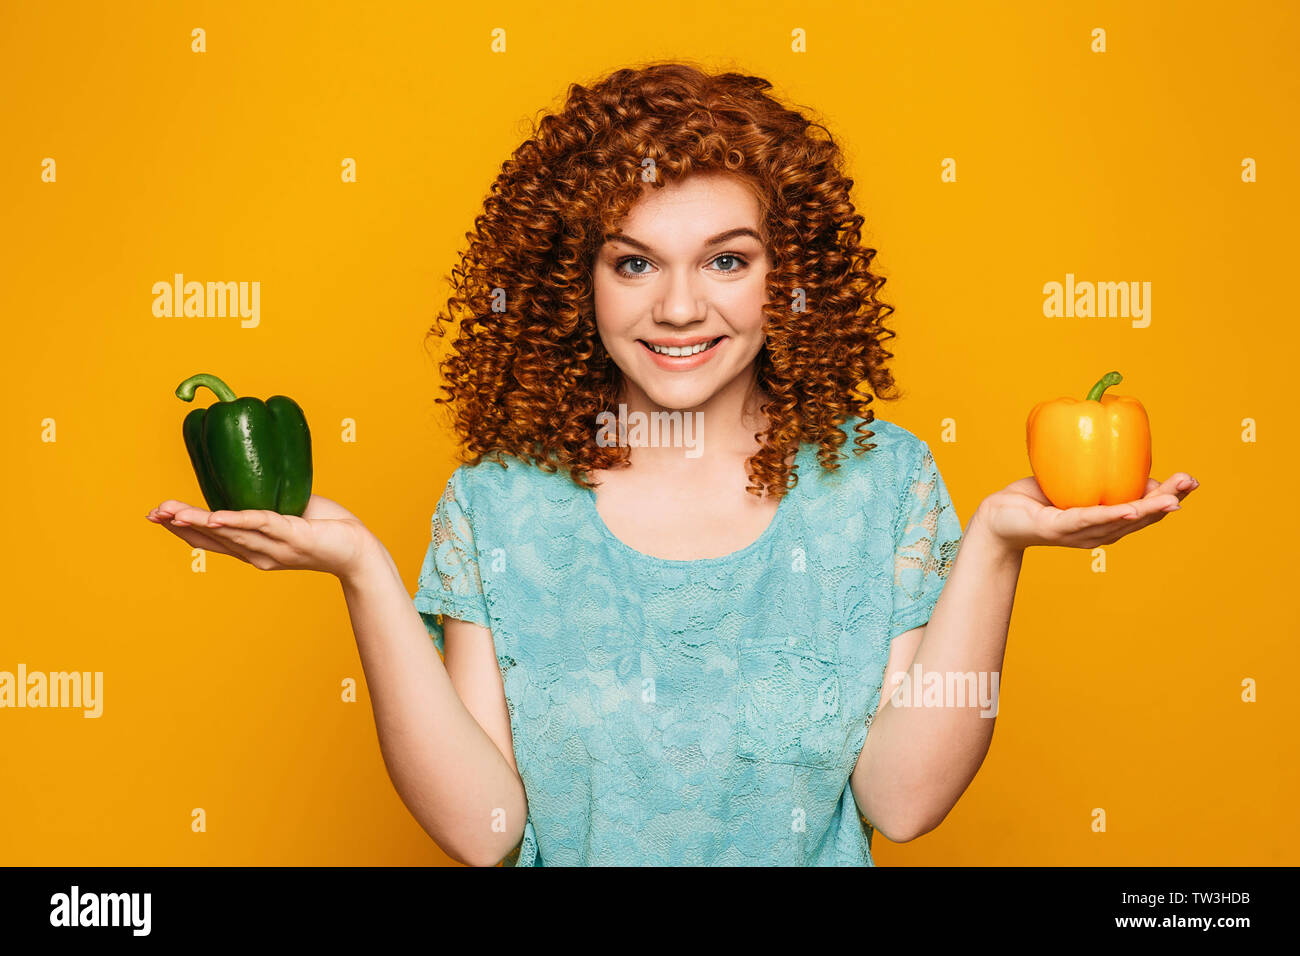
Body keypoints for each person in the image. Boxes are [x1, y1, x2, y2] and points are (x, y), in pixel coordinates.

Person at [148, 61, 1198, 866]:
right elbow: (484, 829)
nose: (681, 307)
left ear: (791, 278)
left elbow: (900, 802)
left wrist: (998, 548)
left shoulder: (881, 484)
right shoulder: (500, 503)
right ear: (578, 278)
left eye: (727, 260)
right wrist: (364, 572)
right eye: (634, 261)